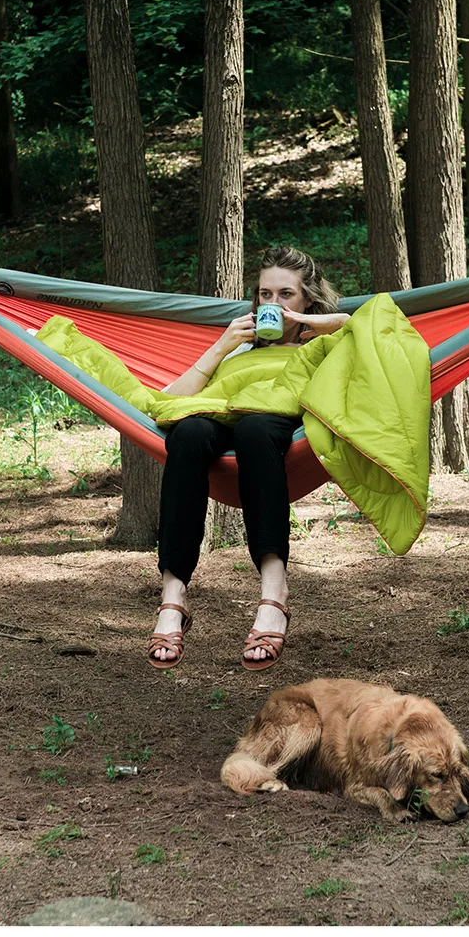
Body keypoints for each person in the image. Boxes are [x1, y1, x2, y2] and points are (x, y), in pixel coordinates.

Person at [147, 246, 350, 672]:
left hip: (272, 419)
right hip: (220, 409)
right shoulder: (238, 347)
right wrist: (221, 346)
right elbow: (166, 403)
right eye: (264, 295)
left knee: (256, 429)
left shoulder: (324, 343)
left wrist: (306, 324)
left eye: (285, 295)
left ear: (307, 300)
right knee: (187, 431)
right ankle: (172, 597)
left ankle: (274, 594)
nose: (271, 305)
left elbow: (368, 328)